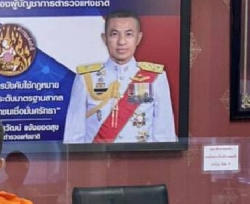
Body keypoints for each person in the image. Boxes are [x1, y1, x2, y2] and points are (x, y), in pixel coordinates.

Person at [63, 10, 177, 144]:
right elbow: (73, 137)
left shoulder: (156, 78)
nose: (122, 42)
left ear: (138, 38)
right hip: (98, 157)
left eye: (129, 34)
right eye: (114, 34)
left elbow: (165, 136)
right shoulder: (86, 78)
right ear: (104, 38)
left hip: (141, 157)